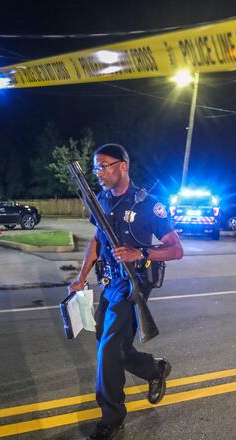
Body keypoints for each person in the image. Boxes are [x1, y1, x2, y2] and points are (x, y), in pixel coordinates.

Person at [69, 143, 183, 440]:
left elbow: (176, 249)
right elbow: (96, 241)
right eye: (95, 168)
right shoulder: (103, 201)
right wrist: (80, 277)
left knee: (108, 348)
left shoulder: (149, 204)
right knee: (112, 345)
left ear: (123, 166)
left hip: (134, 283)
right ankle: (153, 369)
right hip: (108, 283)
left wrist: (141, 252)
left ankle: (112, 417)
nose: (99, 173)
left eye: (103, 166)